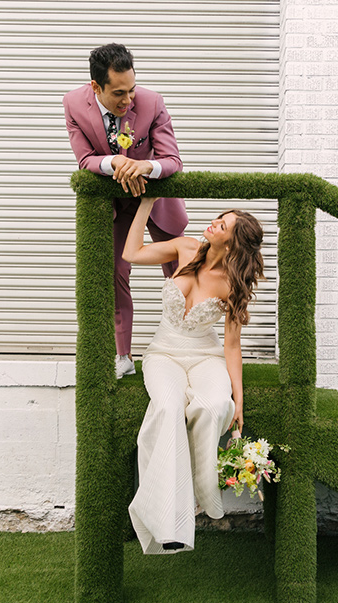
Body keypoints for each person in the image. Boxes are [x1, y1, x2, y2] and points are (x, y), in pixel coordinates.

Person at [122, 196, 264, 554]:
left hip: (206, 356)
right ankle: (168, 522)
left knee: (214, 404)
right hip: (164, 353)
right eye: (218, 217)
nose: (214, 223)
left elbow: (232, 346)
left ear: (231, 243)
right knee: (168, 409)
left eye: (223, 225)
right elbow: (132, 253)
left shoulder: (232, 283)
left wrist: (238, 399)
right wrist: (147, 203)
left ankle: (205, 489)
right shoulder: (185, 247)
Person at [63, 43, 188, 379]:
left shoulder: (153, 103)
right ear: (95, 87)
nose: (128, 100)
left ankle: (190, 349)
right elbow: (85, 159)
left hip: (157, 200)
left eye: (132, 90)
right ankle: (124, 357)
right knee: (117, 274)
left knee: (180, 274)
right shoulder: (73, 104)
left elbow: (172, 160)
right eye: (119, 93)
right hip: (118, 207)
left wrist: (144, 166)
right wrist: (116, 161)